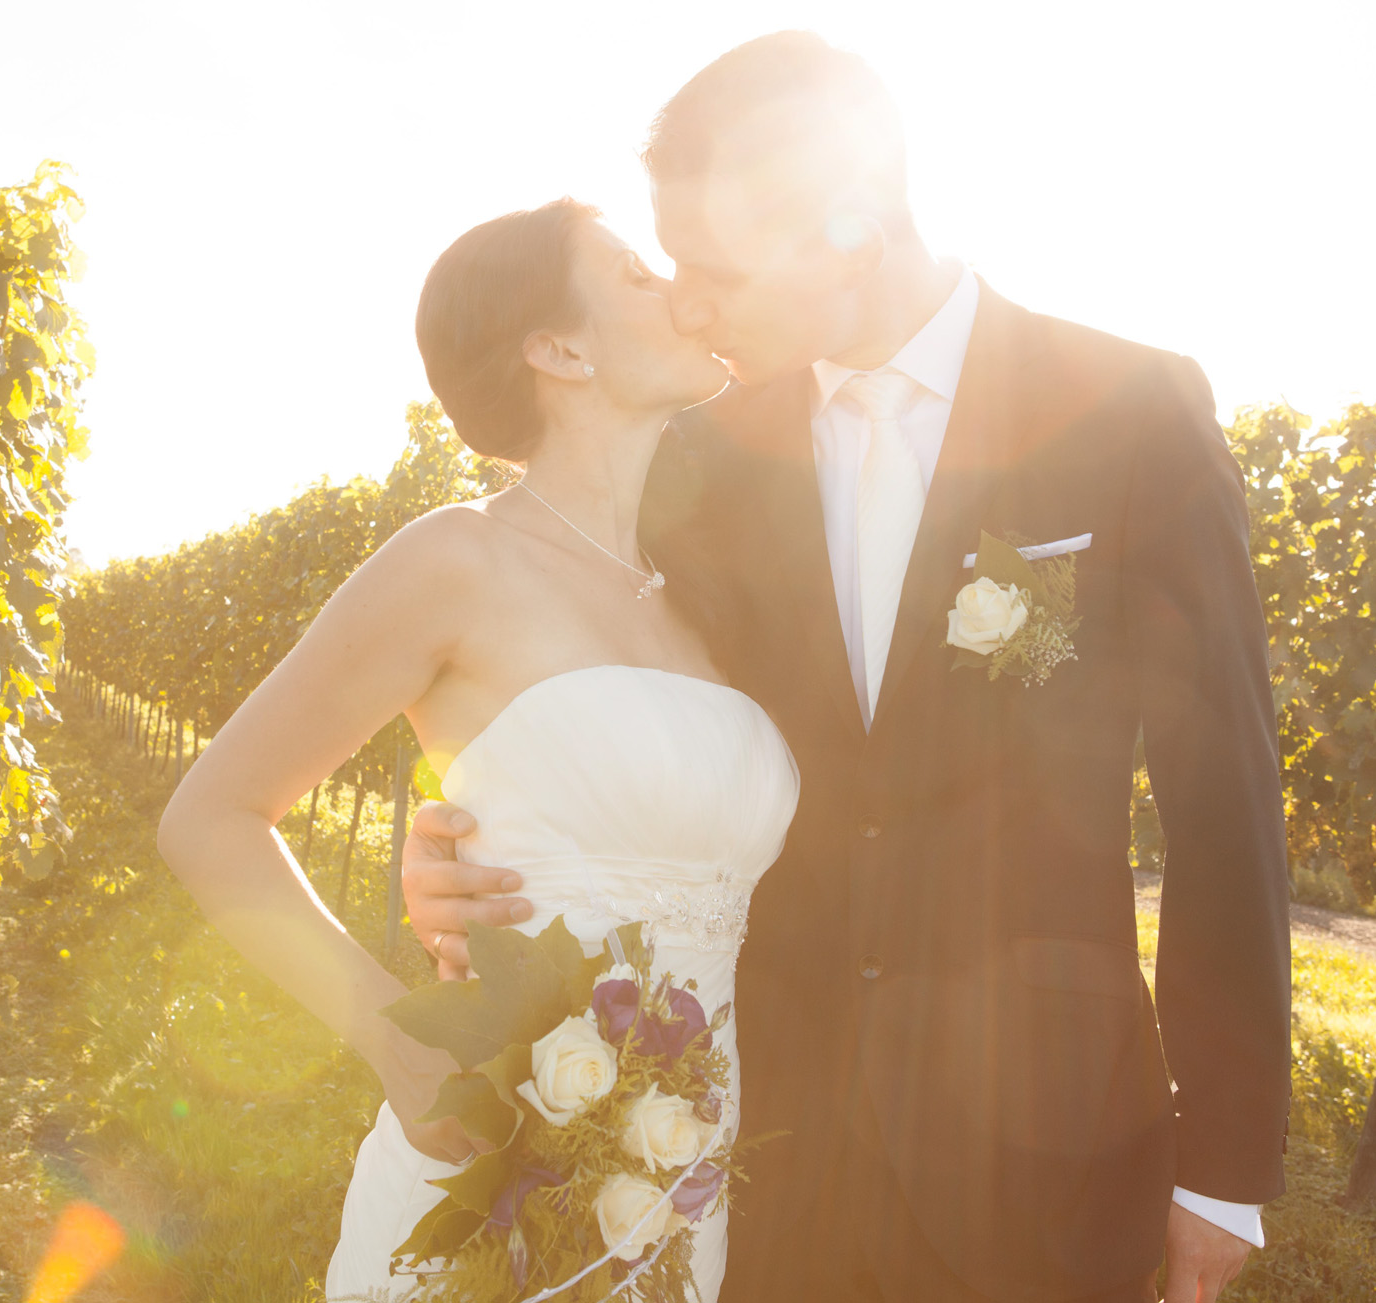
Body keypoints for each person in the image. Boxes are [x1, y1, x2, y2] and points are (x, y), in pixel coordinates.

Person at [403, 33, 1292, 1303]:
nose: (688, 305)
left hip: (1043, 1157)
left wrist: (1219, 1167)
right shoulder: (694, 467)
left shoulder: (1130, 412)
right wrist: (449, 835)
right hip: (759, 1144)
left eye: (710, 270)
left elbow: (1226, 807)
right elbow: (574, 675)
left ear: (844, 233)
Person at [156, 197, 800, 1302]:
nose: (675, 289)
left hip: (681, 1169)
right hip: (501, 1159)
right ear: (557, 347)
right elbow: (209, 817)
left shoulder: (697, 595)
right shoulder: (457, 557)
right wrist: (396, 1048)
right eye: (634, 275)